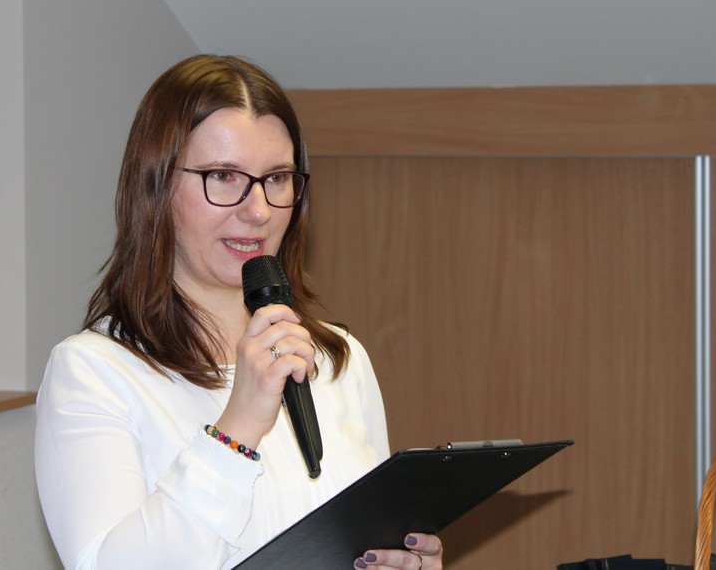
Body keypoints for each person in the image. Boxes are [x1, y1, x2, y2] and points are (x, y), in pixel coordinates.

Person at [34, 54, 444, 570]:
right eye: (224, 176)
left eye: (277, 178)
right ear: (155, 186)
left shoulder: (338, 358)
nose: (258, 210)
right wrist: (237, 429)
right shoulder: (93, 373)